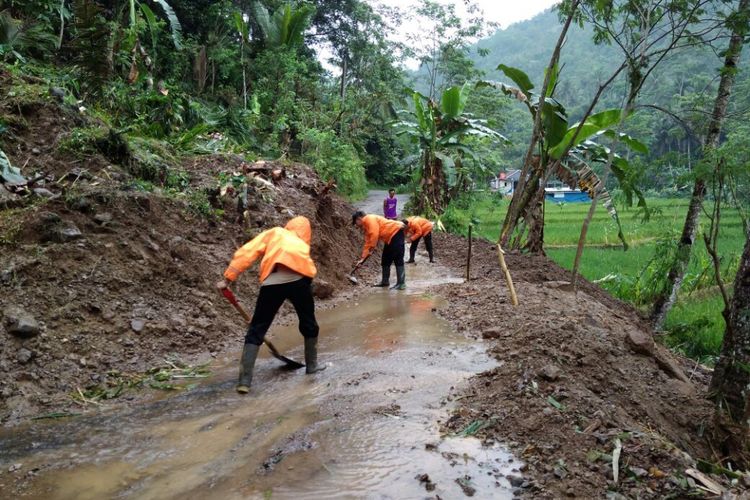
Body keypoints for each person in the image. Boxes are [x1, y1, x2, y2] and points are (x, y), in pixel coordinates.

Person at [216, 216, 325, 394]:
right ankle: (312, 366)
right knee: (309, 323)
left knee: (257, 327)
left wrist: (228, 278)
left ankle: (244, 381)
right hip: (299, 280)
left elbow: (247, 252)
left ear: (288, 226)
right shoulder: (301, 243)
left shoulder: (275, 233)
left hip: (271, 282)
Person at [352, 210, 406, 290]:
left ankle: (401, 284)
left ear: (358, 219)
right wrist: (362, 258)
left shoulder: (369, 218)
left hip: (396, 233)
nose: (356, 225)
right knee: (385, 259)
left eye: (355, 222)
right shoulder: (366, 226)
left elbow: (374, 234)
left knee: (398, 258)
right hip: (389, 238)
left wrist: (372, 247)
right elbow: (367, 242)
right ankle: (385, 282)